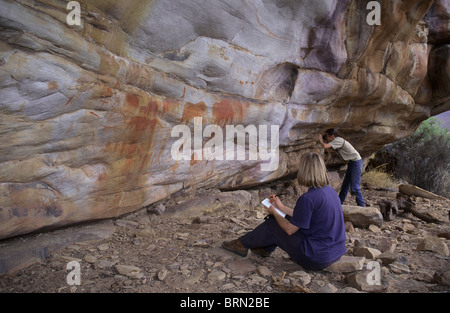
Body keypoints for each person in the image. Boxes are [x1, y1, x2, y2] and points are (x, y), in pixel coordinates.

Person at [222, 152, 347, 271]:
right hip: (335, 252)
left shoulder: (308, 198)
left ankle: (241, 244)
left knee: (273, 223)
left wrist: (274, 212)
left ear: (304, 170)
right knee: (282, 218)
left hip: (315, 257)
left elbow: (289, 229)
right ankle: (263, 248)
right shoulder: (329, 191)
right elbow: (302, 216)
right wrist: (280, 207)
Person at [318, 129, 365, 207]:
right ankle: (339, 204)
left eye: (326, 136)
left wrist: (320, 140)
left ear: (332, 136)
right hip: (352, 162)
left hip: (356, 162)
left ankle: (362, 206)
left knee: (355, 187)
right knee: (345, 186)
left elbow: (325, 146)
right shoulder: (336, 142)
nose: (325, 138)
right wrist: (325, 143)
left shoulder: (338, 140)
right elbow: (328, 150)